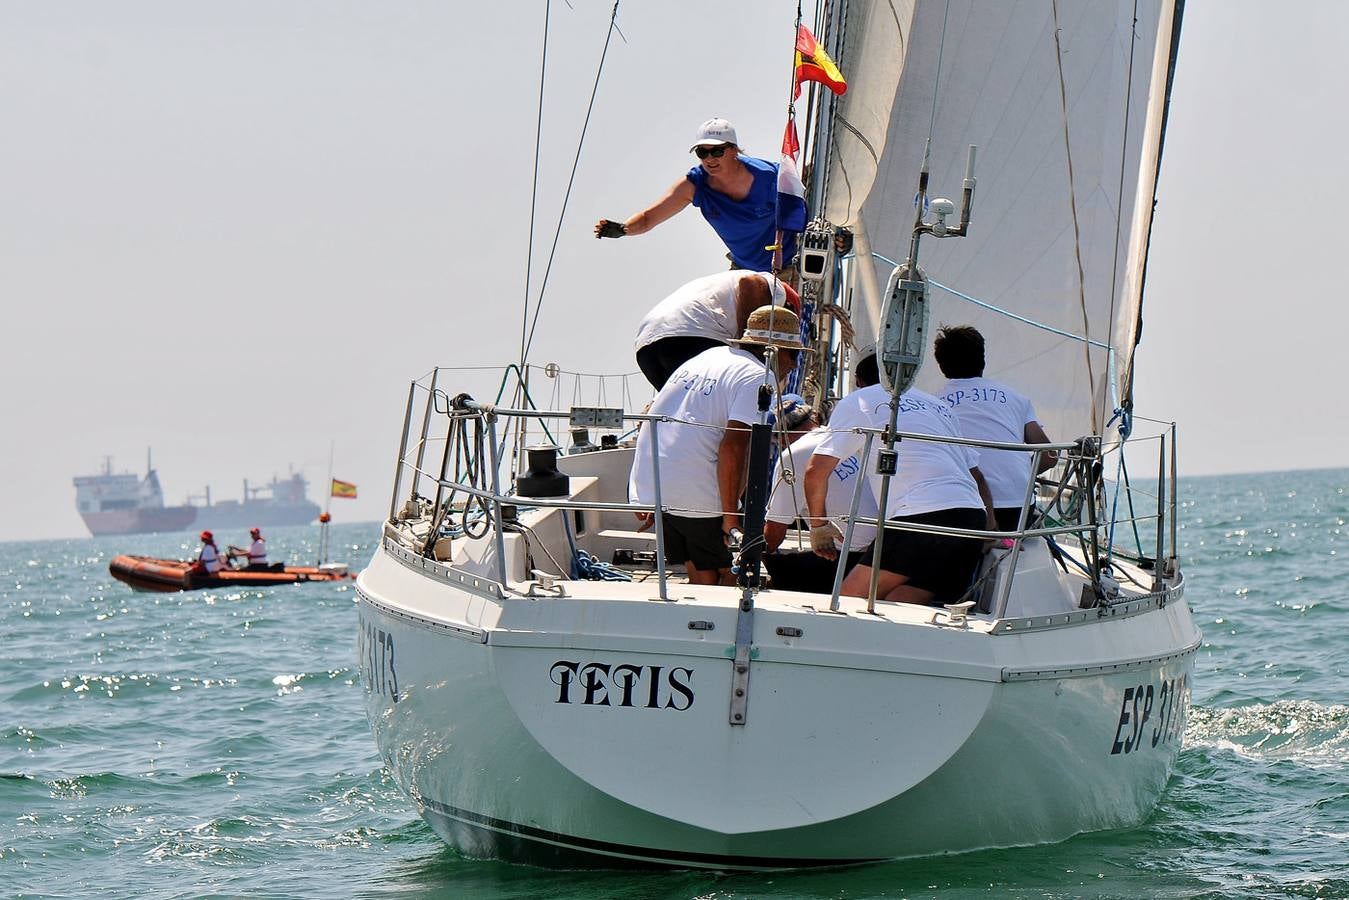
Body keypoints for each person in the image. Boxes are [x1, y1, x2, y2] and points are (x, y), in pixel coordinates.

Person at [628, 305, 806, 585]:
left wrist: (644, 493)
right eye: (793, 354)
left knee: (701, 573)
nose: (795, 364)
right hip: (698, 494)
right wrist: (730, 517)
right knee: (731, 576)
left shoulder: (708, 357)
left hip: (655, 487)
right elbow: (733, 448)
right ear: (773, 350)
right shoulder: (758, 376)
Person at [804, 350, 996, 606]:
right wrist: (991, 529)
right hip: (971, 517)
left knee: (848, 600)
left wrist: (818, 527)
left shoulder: (858, 402)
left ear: (859, 382)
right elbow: (976, 475)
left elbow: (815, 471)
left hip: (921, 517)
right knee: (902, 598)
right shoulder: (939, 406)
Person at [595, 117, 800, 276]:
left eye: (717, 151)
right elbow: (649, 218)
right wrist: (624, 229)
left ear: (734, 150)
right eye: (703, 152)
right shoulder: (694, 185)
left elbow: (796, 213)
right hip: (743, 270)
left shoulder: (771, 176)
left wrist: (783, 251)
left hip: (788, 266)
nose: (710, 158)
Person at [933, 325, 1058, 531]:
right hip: (1017, 509)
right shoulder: (1017, 399)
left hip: (964, 509)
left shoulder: (934, 404)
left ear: (941, 365)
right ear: (983, 360)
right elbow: (1049, 456)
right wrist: (1020, 474)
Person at [762, 395, 879, 594]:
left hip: (850, 559)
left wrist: (747, 553)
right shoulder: (840, 438)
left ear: (779, 438)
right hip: (881, 547)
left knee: (772, 564)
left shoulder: (791, 455)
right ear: (814, 417)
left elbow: (774, 533)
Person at [634, 270, 800, 390]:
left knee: (690, 413)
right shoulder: (777, 289)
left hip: (647, 345)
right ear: (788, 308)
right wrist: (749, 355)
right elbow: (750, 283)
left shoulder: (722, 286)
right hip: (691, 334)